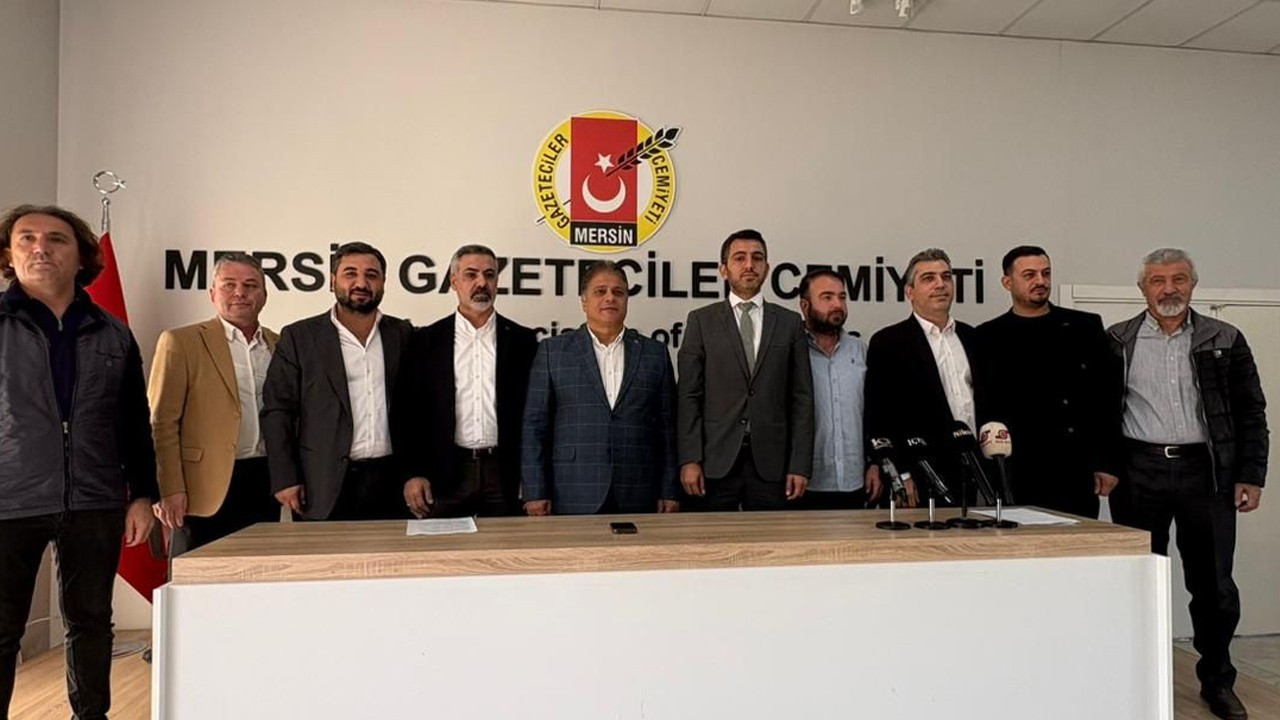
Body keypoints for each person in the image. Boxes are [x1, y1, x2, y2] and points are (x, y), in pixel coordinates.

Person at [0, 204, 157, 719]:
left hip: (95, 499)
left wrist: (141, 494)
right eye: (26, 238)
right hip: (9, 500)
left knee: (91, 622)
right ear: (9, 255)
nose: (40, 248)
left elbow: (133, 421)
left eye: (56, 239)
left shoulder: (113, 332)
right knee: (2, 630)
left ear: (82, 256)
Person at [1108, 248, 1267, 720]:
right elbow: (1100, 410)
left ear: (1193, 284)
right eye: (1158, 281)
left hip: (1207, 473)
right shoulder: (1117, 339)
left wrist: (1250, 474)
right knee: (1138, 580)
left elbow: (1251, 411)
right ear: (1142, 289)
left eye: (1178, 279)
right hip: (1138, 471)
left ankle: (1217, 681)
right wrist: (1103, 464)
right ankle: (1138, 679)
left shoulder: (1224, 337)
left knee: (1214, 585)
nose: (1169, 289)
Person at [262, 242, 412, 520]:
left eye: (371, 275)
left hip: (393, 482)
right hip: (323, 483)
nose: (361, 283)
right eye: (350, 273)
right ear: (332, 281)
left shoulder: (403, 334)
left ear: (383, 283)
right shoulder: (300, 337)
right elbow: (278, 410)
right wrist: (285, 477)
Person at [522, 262, 679, 515]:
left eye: (618, 292)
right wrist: (535, 491)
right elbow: (534, 426)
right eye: (600, 291)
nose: (610, 298)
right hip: (572, 488)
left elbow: (667, 427)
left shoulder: (655, 353)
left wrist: (669, 489)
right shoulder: (553, 352)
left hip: (639, 488)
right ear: (584, 301)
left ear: (627, 300)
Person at [149, 253, 280, 553]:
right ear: (212, 293)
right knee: (197, 577)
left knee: (257, 572)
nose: (240, 293)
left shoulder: (279, 344)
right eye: (229, 284)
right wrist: (169, 488)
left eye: (250, 285)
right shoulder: (181, 342)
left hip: (264, 481)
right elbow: (161, 423)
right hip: (201, 489)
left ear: (264, 294)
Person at [975, 245, 1119, 518]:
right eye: (1029, 275)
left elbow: (1107, 397)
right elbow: (985, 407)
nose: (1040, 281)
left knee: (1077, 542)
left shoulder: (1084, 327)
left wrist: (1106, 462)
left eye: (1046, 273)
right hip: (1017, 469)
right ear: (1007, 282)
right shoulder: (988, 336)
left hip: (1075, 467)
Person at [677, 229, 814, 511]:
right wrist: (690, 459)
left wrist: (800, 465)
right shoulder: (701, 321)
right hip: (713, 463)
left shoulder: (789, 323)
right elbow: (689, 395)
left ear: (767, 268)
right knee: (711, 538)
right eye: (740, 258)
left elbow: (802, 399)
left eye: (757, 258)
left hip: (773, 466)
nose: (749, 265)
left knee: (770, 538)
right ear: (723, 269)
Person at [397, 245, 538, 518]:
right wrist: (413, 473)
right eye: (471, 275)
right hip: (444, 474)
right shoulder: (425, 341)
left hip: (505, 475)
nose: (481, 283)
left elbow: (535, 416)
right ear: (454, 282)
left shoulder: (523, 341)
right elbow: (408, 414)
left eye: (489, 275)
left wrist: (533, 479)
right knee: (441, 546)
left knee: (507, 545)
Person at [864, 248, 984, 506]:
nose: (940, 284)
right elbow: (880, 413)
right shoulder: (889, 342)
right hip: (922, 474)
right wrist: (902, 472)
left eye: (946, 277)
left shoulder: (973, 338)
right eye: (929, 278)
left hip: (977, 470)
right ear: (910, 292)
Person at [797, 269, 878, 509]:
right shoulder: (792, 351)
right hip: (804, 485)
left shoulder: (859, 350)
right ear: (805, 305)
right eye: (827, 297)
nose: (837, 305)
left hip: (856, 483)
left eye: (842, 297)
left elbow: (873, 414)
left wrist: (875, 464)